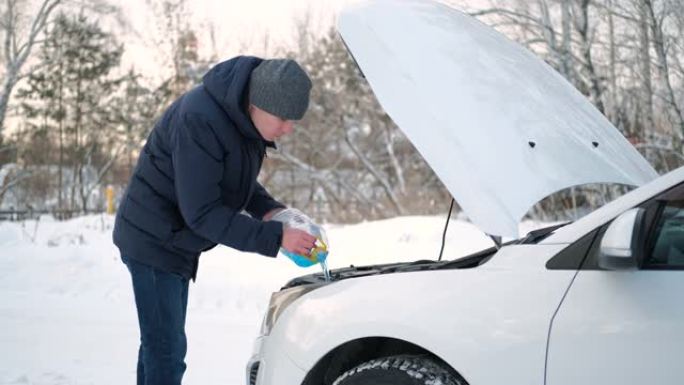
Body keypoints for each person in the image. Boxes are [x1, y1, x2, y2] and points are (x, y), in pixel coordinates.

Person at [112, 56, 317, 385]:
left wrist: (271, 210)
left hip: (175, 239)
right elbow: (203, 213)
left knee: (158, 344)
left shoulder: (241, 120)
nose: (288, 128)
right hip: (152, 239)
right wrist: (276, 237)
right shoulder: (200, 120)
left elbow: (234, 181)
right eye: (283, 117)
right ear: (257, 103)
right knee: (166, 350)